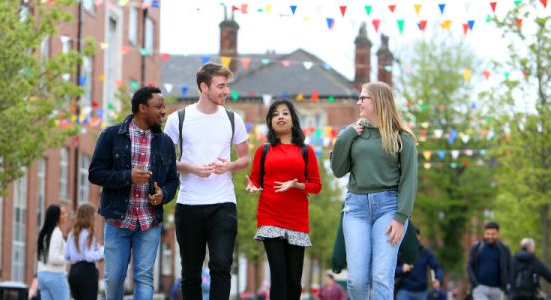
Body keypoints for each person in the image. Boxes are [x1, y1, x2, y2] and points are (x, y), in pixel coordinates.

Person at [164, 62, 249, 300]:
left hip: (223, 203)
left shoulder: (234, 120)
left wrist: (228, 166)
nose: (226, 91)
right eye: (221, 86)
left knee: (221, 265)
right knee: (190, 273)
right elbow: (166, 160)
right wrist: (191, 168)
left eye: (227, 86)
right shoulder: (177, 119)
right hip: (189, 204)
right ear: (204, 87)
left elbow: (245, 159)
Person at [88, 86, 179, 300]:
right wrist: (127, 176)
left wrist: (163, 194)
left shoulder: (165, 142)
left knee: (144, 277)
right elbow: (95, 174)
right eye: (159, 107)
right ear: (142, 108)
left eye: (164, 107)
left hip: (149, 221)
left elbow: (173, 181)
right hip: (118, 220)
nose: (164, 111)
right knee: (114, 277)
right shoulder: (112, 135)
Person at [330, 81, 418, 299]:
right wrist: (345, 136)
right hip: (356, 208)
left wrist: (401, 217)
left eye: (363, 98)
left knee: (381, 277)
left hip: (389, 209)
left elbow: (409, 180)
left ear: (378, 101)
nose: (358, 102)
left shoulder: (402, 138)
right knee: (357, 280)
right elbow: (338, 170)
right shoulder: (353, 134)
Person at [245, 98, 322, 299]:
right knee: (278, 275)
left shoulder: (306, 151)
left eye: (285, 113)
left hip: (296, 220)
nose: (280, 117)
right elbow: (254, 179)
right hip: (270, 216)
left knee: (294, 280)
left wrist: (297, 185)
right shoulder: (264, 150)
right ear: (270, 121)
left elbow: (316, 186)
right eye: (275, 114)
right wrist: (251, 185)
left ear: (293, 120)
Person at [65, 203, 104, 300]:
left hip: (73, 272)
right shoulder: (89, 233)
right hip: (87, 273)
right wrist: (103, 251)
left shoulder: (72, 233)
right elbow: (89, 256)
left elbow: (67, 256)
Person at [395, 227, 445, 300]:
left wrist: (438, 279)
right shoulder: (400, 252)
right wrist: (402, 269)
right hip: (404, 291)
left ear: (419, 237)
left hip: (421, 292)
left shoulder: (426, 253)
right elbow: (391, 272)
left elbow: (437, 267)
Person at [467, 221, 512, 300]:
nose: (490, 236)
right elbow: (470, 266)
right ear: (484, 234)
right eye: (488, 234)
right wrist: (475, 284)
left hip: (497, 289)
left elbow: (510, 267)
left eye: (493, 234)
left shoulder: (504, 249)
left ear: (498, 234)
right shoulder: (477, 248)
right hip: (480, 288)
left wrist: (505, 285)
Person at [36, 204, 69, 300]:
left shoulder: (44, 232)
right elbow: (54, 258)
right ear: (56, 217)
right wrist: (68, 257)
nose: (65, 215)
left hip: (42, 274)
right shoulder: (56, 233)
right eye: (62, 214)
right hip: (55, 275)